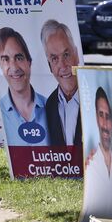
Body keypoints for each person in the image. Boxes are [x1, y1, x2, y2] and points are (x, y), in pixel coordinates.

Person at [0, 27, 48, 146]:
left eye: (19, 58)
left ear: (29, 62)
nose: (14, 67)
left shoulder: (52, 108)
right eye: (5, 59)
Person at [40, 19, 81, 147]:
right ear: (50, 66)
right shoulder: (48, 107)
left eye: (66, 54)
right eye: (54, 59)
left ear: (76, 55)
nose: (62, 65)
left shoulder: (95, 97)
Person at [81, 87, 112, 222]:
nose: (104, 124)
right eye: (100, 115)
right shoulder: (90, 165)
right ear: (96, 118)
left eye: (107, 117)